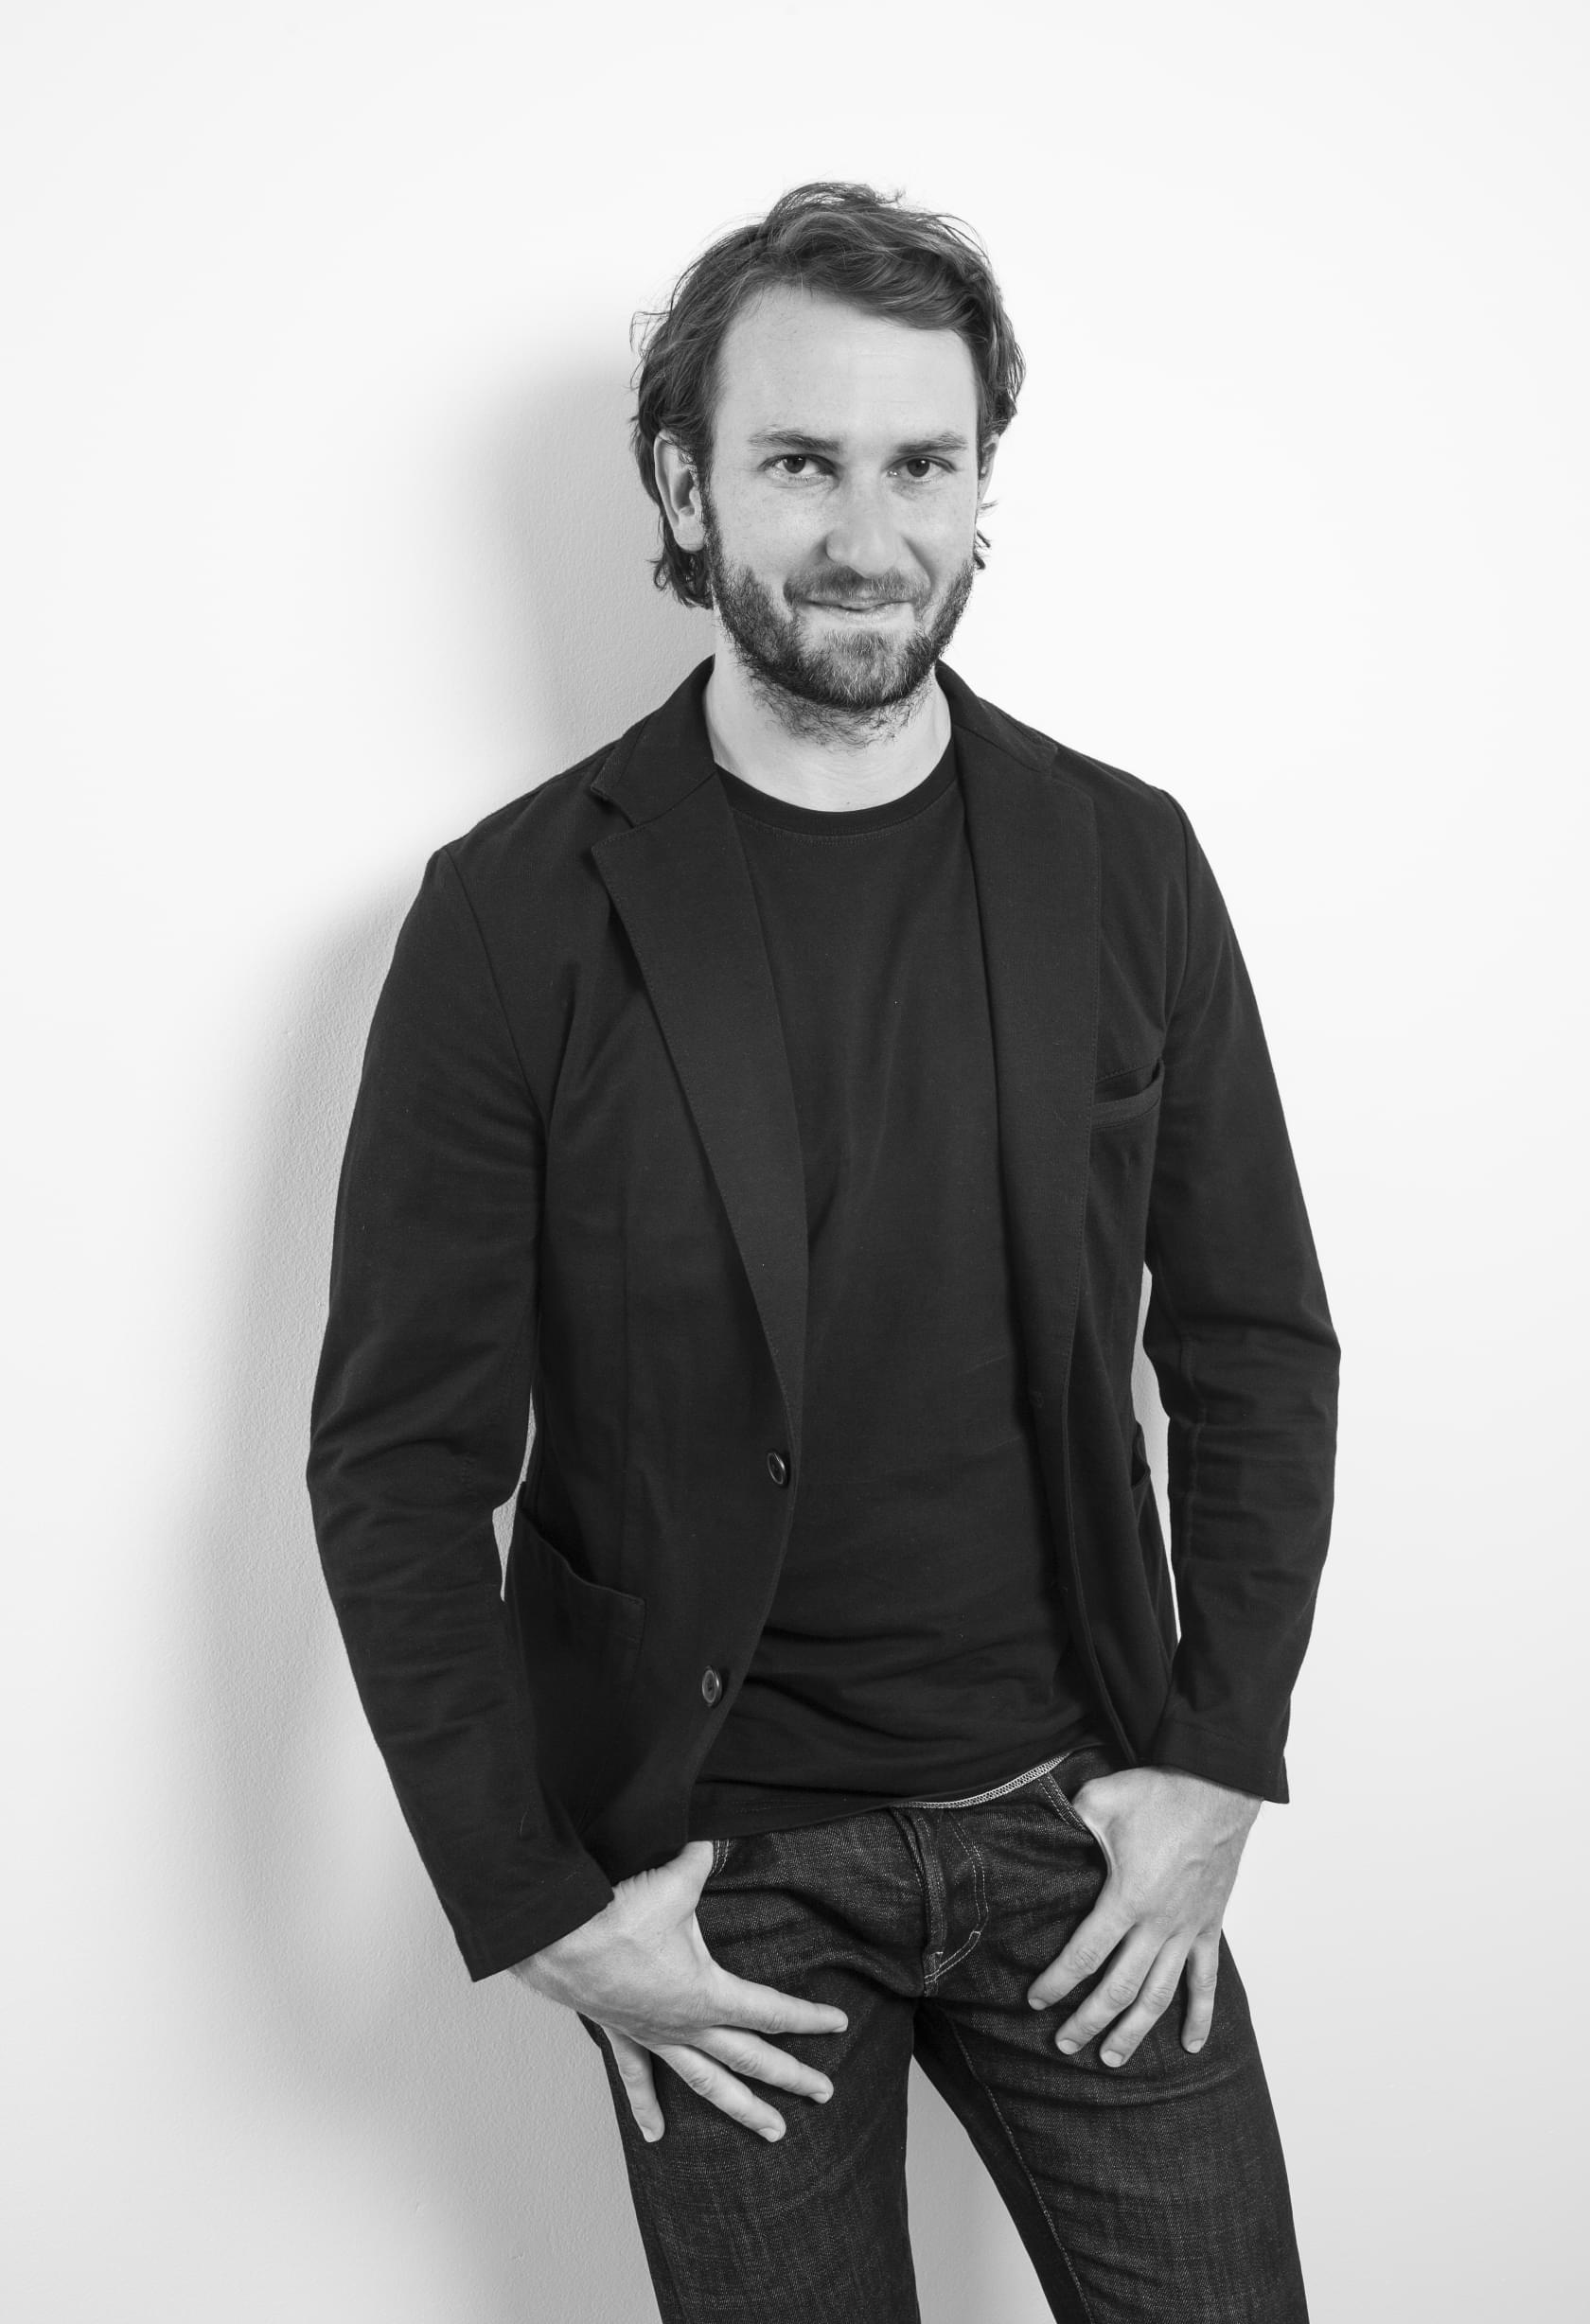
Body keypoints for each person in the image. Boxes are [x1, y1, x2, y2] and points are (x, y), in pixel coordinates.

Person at [309, 180, 1339, 2322]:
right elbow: (399, 1460)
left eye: (920, 465)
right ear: (686, 486)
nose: (869, 535)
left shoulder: (1124, 862)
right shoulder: (512, 916)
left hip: (1080, 1827)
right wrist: (535, 1901)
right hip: (717, 1884)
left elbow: (1254, 1342)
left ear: (978, 488)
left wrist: (1218, 1762)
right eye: (799, 462)